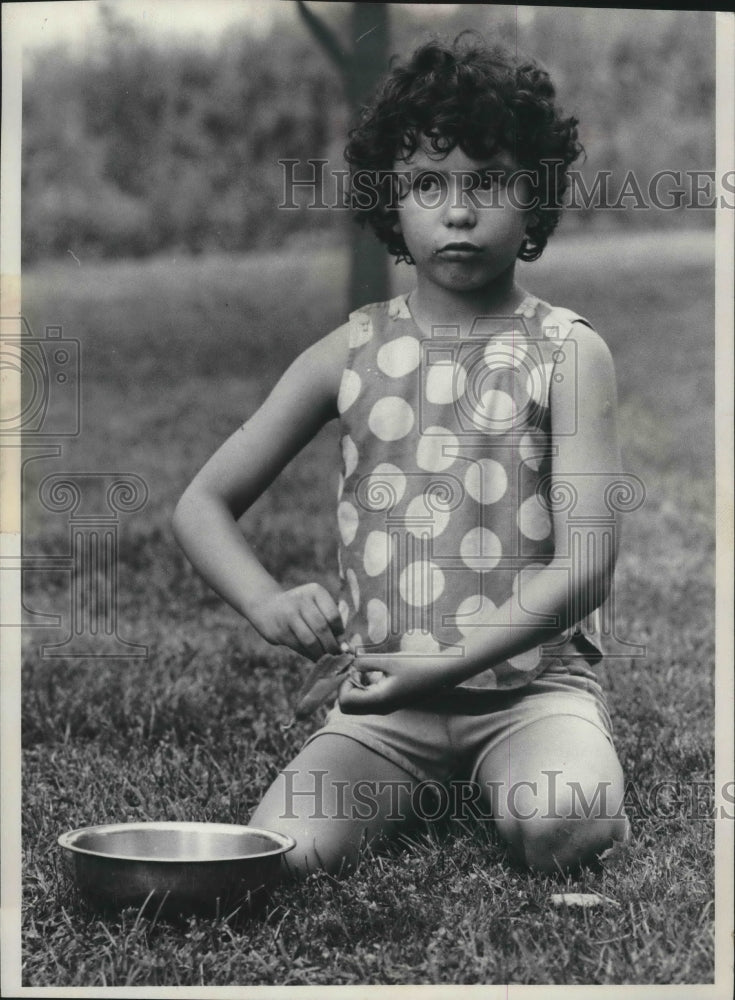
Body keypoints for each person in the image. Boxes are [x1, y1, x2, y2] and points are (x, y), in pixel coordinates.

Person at [173, 35, 629, 879]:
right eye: (428, 183)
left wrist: (443, 660)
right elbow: (201, 505)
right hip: (384, 709)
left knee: (561, 824)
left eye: (488, 181)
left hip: (533, 695)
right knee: (285, 854)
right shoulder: (349, 353)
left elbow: (589, 564)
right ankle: (420, 784)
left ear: (533, 199)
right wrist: (265, 601)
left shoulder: (565, 351)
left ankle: (521, 773)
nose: (458, 210)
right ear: (393, 201)